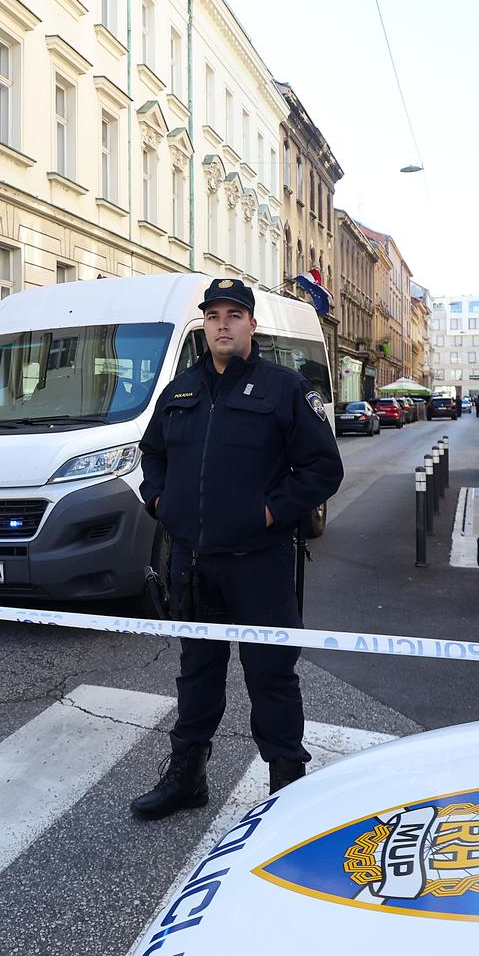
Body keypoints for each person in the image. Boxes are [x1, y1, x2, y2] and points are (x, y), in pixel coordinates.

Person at [131, 278, 344, 820]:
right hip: (193, 564)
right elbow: (149, 454)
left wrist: (270, 513)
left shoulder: (285, 389)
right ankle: (188, 776)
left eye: (233, 315)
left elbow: (323, 469)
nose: (222, 324)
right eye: (213, 315)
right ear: (204, 324)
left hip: (260, 564)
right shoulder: (180, 390)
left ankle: (286, 784)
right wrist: (160, 502)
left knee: (271, 675)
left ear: (252, 325)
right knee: (196, 671)